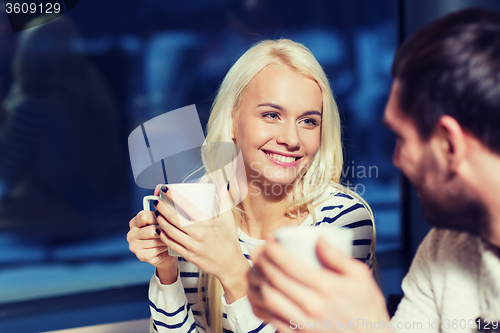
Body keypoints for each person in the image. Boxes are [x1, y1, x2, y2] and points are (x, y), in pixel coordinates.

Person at [246, 7, 500, 333]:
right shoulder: (444, 248)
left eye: (401, 139)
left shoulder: (346, 215)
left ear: (450, 146)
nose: (395, 160)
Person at [127, 39, 375, 333]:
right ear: (233, 121)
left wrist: (232, 270)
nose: (292, 139)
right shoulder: (201, 210)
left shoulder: (342, 220)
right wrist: (167, 272)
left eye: (308, 121)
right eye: (272, 115)